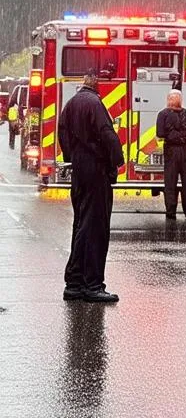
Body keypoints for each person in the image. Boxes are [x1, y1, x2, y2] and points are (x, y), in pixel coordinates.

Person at [58, 69, 124, 302]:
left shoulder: (71, 103)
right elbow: (107, 134)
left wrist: (72, 156)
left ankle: (74, 283)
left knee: (80, 224)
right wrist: (117, 161)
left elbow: (62, 133)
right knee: (95, 227)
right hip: (96, 169)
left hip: (79, 169)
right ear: (97, 86)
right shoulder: (95, 104)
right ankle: (92, 285)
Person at [156, 89, 186, 220]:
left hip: (171, 151)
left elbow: (160, 133)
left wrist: (172, 135)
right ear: (180, 100)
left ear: (168, 100)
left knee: (170, 182)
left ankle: (171, 211)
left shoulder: (162, 114)